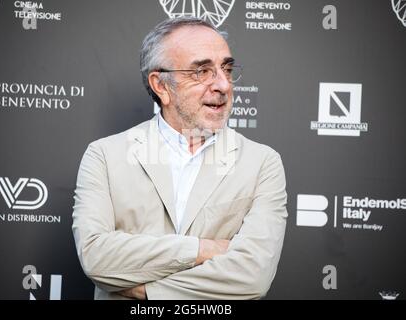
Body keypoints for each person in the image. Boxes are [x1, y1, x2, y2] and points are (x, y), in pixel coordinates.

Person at [72, 17, 288, 300]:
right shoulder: (104, 156)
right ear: (161, 86)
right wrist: (203, 249)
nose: (223, 84)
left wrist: (148, 291)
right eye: (201, 71)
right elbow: (96, 258)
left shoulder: (262, 163)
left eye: (227, 68)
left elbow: (252, 276)